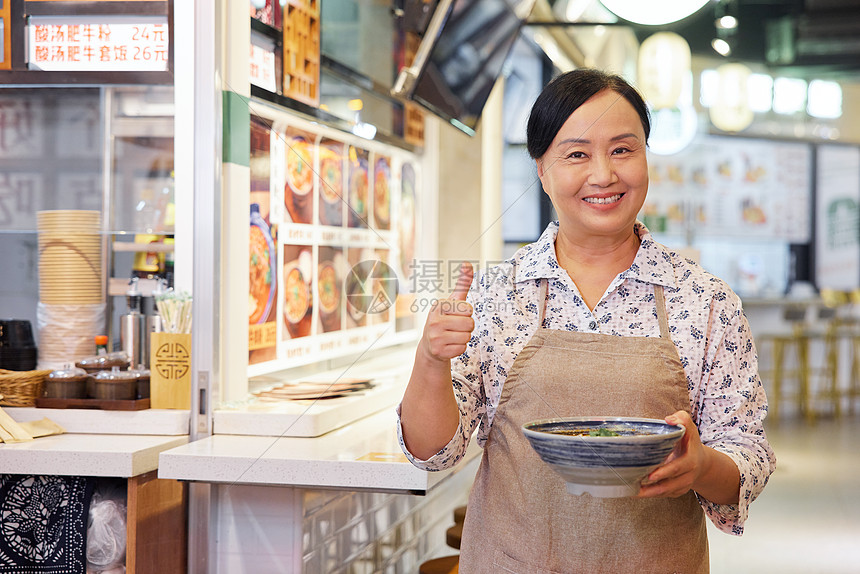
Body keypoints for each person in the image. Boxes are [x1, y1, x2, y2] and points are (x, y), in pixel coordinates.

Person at [397, 68, 776, 573]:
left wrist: (702, 465)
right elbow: (432, 454)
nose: (604, 174)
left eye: (623, 149)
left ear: (646, 155)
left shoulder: (704, 300)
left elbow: (746, 455)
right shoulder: (496, 295)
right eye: (577, 154)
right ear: (542, 170)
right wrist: (429, 360)